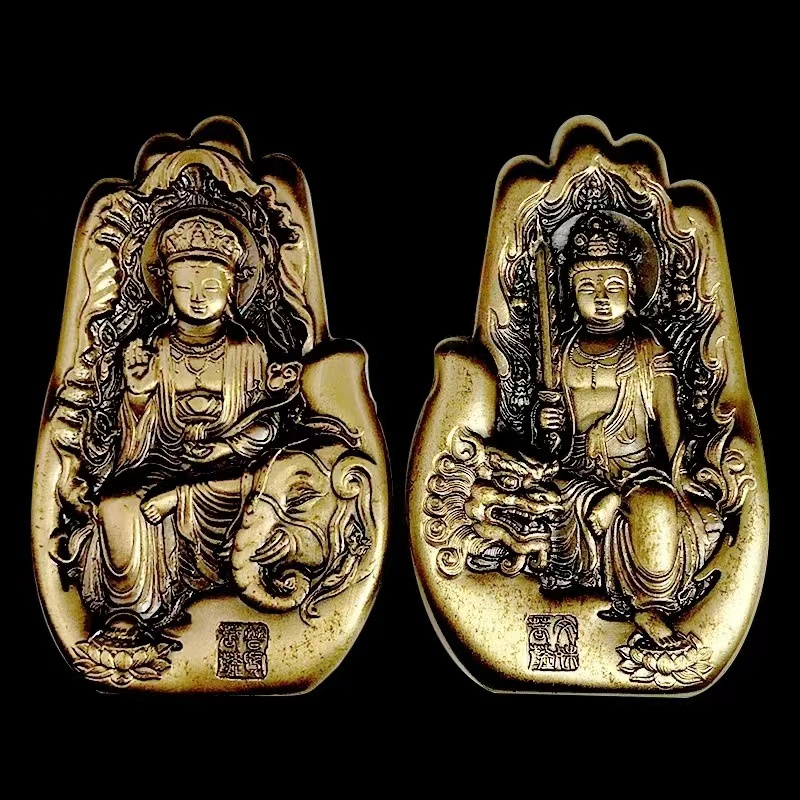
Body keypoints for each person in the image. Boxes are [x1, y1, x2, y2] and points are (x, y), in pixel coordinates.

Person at [79, 212, 310, 631]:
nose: (198, 298)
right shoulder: (157, 347)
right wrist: (138, 395)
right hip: (165, 463)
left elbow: (271, 425)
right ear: (169, 289)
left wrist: (228, 445)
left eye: (210, 288)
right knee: (117, 505)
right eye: (185, 287)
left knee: (262, 498)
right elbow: (136, 442)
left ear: (232, 289)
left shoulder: (247, 349)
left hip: (231, 471)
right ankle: (133, 614)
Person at [537, 213, 718, 649]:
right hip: (577, 472)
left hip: (638, 470)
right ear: (571, 294)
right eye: (587, 288)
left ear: (632, 289)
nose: (601, 298)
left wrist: (679, 474)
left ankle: (650, 605)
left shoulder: (647, 349)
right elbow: (552, 445)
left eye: (613, 286)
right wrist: (547, 423)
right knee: (550, 500)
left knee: (655, 506)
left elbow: (669, 426)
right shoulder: (560, 353)